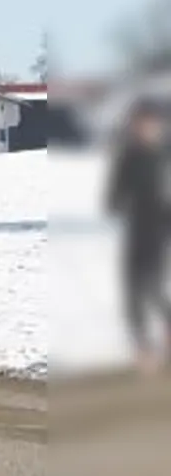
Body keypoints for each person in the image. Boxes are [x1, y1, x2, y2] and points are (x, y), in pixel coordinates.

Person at [106, 99, 170, 374]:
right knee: (133, 292)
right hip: (136, 229)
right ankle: (144, 349)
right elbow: (114, 197)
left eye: (151, 124)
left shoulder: (163, 156)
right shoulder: (129, 156)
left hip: (158, 231)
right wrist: (120, 201)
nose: (147, 129)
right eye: (141, 124)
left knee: (151, 287)